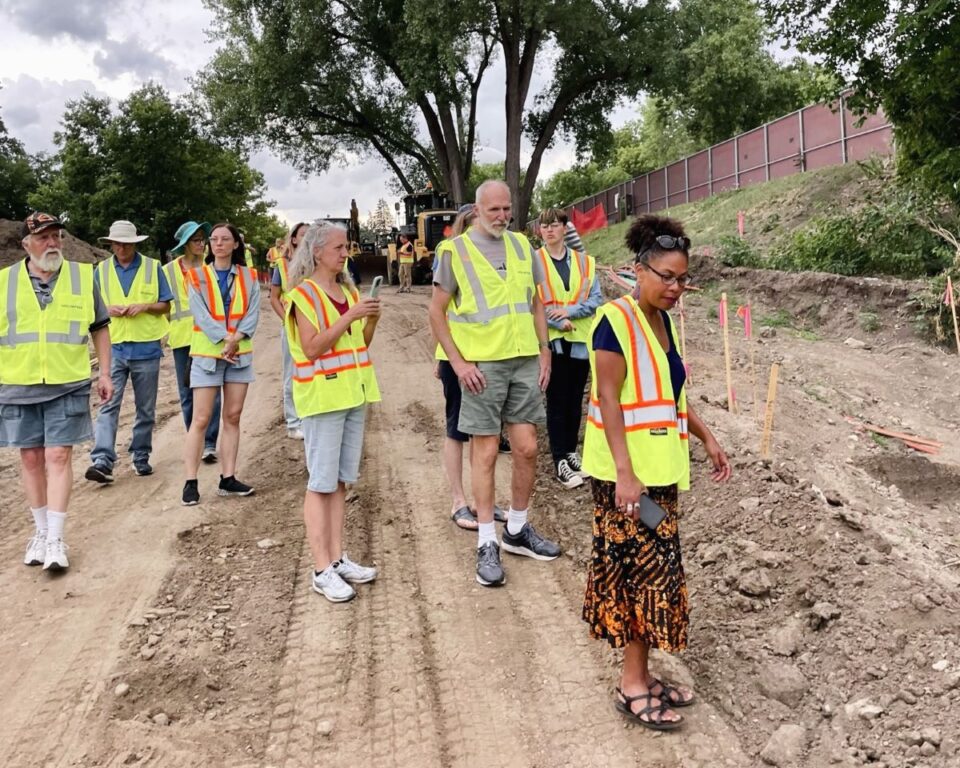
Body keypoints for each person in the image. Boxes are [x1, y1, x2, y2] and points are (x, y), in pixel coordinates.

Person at [581, 214, 732, 730]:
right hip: (627, 482)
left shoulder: (664, 323)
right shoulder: (613, 322)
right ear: (637, 270)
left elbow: (668, 397)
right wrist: (625, 474)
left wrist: (706, 435)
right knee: (637, 577)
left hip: (659, 476)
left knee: (654, 575)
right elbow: (608, 398)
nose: (675, 287)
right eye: (665, 276)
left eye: (682, 278)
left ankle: (642, 677)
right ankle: (630, 686)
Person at [429, 180, 561, 587]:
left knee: (527, 448)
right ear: (478, 209)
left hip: (524, 360)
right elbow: (436, 312)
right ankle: (486, 539)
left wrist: (545, 349)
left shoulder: (524, 246)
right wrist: (458, 361)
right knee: (484, 454)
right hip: (483, 365)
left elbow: (536, 301)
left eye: (507, 210)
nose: (502, 216)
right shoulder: (454, 251)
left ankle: (517, 529)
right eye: (494, 211)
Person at [0, 212, 113, 571]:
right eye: (44, 237)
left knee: (58, 458)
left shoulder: (82, 277)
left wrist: (106, 373)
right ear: (27, 244)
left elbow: (100, 327)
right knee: (31, 460)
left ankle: (56, 539)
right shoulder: (4, 282)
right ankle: (40, 531)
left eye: (56, 236)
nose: (52, 243)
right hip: (18, 384)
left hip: (68, 382)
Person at [284, 221, 381, 602]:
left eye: (346, 248)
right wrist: (350, 317)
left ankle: (338, 558)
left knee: (341, 480)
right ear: (317, 252)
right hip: (323, 399)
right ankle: (321, 568)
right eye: (339, 248)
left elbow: (361, 343)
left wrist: (369, 319)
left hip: (353, 394)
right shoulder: (303, 296)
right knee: (320, 483)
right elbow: (311, 348)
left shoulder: (348, 290)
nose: (346, 254)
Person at [181, 222, 260, 505]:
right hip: (207, 355)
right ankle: (190, 481)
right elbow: (200, 314)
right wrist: (226, 339)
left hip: (239, 355)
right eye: (214, 239)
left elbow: (252, 313)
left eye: (225, 239)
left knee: (232, 417)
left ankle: (228, 478)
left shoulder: (250, 276)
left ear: (236, 244)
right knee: (200, 419)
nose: (218, 244)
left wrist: (236, 339)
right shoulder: (197, 276)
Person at [86, 220, 171, 483]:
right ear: (110, 244)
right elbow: (90, 308)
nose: (121, 248)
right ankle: (102, 460)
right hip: (114, 348)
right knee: (108, 404)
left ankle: (140, 455)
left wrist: (145, 306)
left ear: (135, 244)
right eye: (116, 243)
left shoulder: (152, 267)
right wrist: (106, 310)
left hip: (146, 347)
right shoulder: (100, 271)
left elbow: (166, 305)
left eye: (126, 243)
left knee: (145, 409)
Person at [536, 208, 602, 490]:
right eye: (544, 226)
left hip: (579, 342)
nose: (549, 230)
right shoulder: (533, 262)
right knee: (557, 401)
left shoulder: (585, 263)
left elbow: (595, 299)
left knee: (575, 400)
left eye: (554, 225)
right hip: (552, 342)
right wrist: (556, 319)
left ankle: (572, 453)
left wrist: (569, 313)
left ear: (565, 228)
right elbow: (532, 301)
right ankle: (559, 458)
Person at [166, 221, 220, 463]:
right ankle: (194, 438)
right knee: (186, 392)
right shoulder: (167, 271)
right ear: (184, 245)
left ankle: (209, 443)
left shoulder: (212, 269)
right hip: (181, 338)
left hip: (208, 338)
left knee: (212, 391)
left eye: (202, 239)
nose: (201, 244)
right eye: (196, 240)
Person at [270, 222, 308, 439]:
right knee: (291, 374)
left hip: (313, 326)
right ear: (293, 239)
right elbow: (274, 298)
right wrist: (286, 319)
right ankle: (293, 423)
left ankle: (308, 416)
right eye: (303, 234)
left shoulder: (316, 264)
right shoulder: (281, 266)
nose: (307, 238)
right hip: (291, 327)